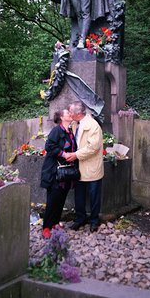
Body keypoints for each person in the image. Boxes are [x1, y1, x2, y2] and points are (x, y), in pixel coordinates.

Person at [65, 101, 104, 232]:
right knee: (79, 195)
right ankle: (80, 219)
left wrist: (75, 155)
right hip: (78, 167)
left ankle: (94, 221)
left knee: (94, 196)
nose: (69, 114)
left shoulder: (93, 126)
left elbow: (93, 147)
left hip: (91, 166)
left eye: (70, 111)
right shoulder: (75, 124)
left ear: (78, 113)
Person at [40, 109, 78, 239]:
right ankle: (46, 227)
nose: (70, 114)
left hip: (66, 173)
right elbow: (49, 146)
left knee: (61, 199)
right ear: (62, 117)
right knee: (52, 200)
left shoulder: (70, 131)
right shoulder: (56, 131)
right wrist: (63, 154)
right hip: (54, 172)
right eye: (67, 113)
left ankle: (55, 223)